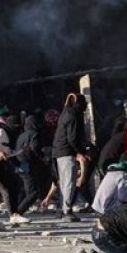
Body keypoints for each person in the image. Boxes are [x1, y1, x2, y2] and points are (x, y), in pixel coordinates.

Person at [52, 93, 88, 222]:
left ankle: (62, 209)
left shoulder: (66, 112)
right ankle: (67, 210)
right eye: (84, 104)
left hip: (59, 151)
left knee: (64, 182)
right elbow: (72, 138)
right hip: (66, 152)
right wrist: (80, 152)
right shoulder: (72, 116)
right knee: (69, 182)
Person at [14, 114, 48, 218]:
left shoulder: (21, 135)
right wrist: (43, 159)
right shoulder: (34, 134)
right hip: (27, 164)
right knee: (33, 192)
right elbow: (35, 149)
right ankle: (17, 213)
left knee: (24, 189)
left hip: (19, 164)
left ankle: (15, 210)